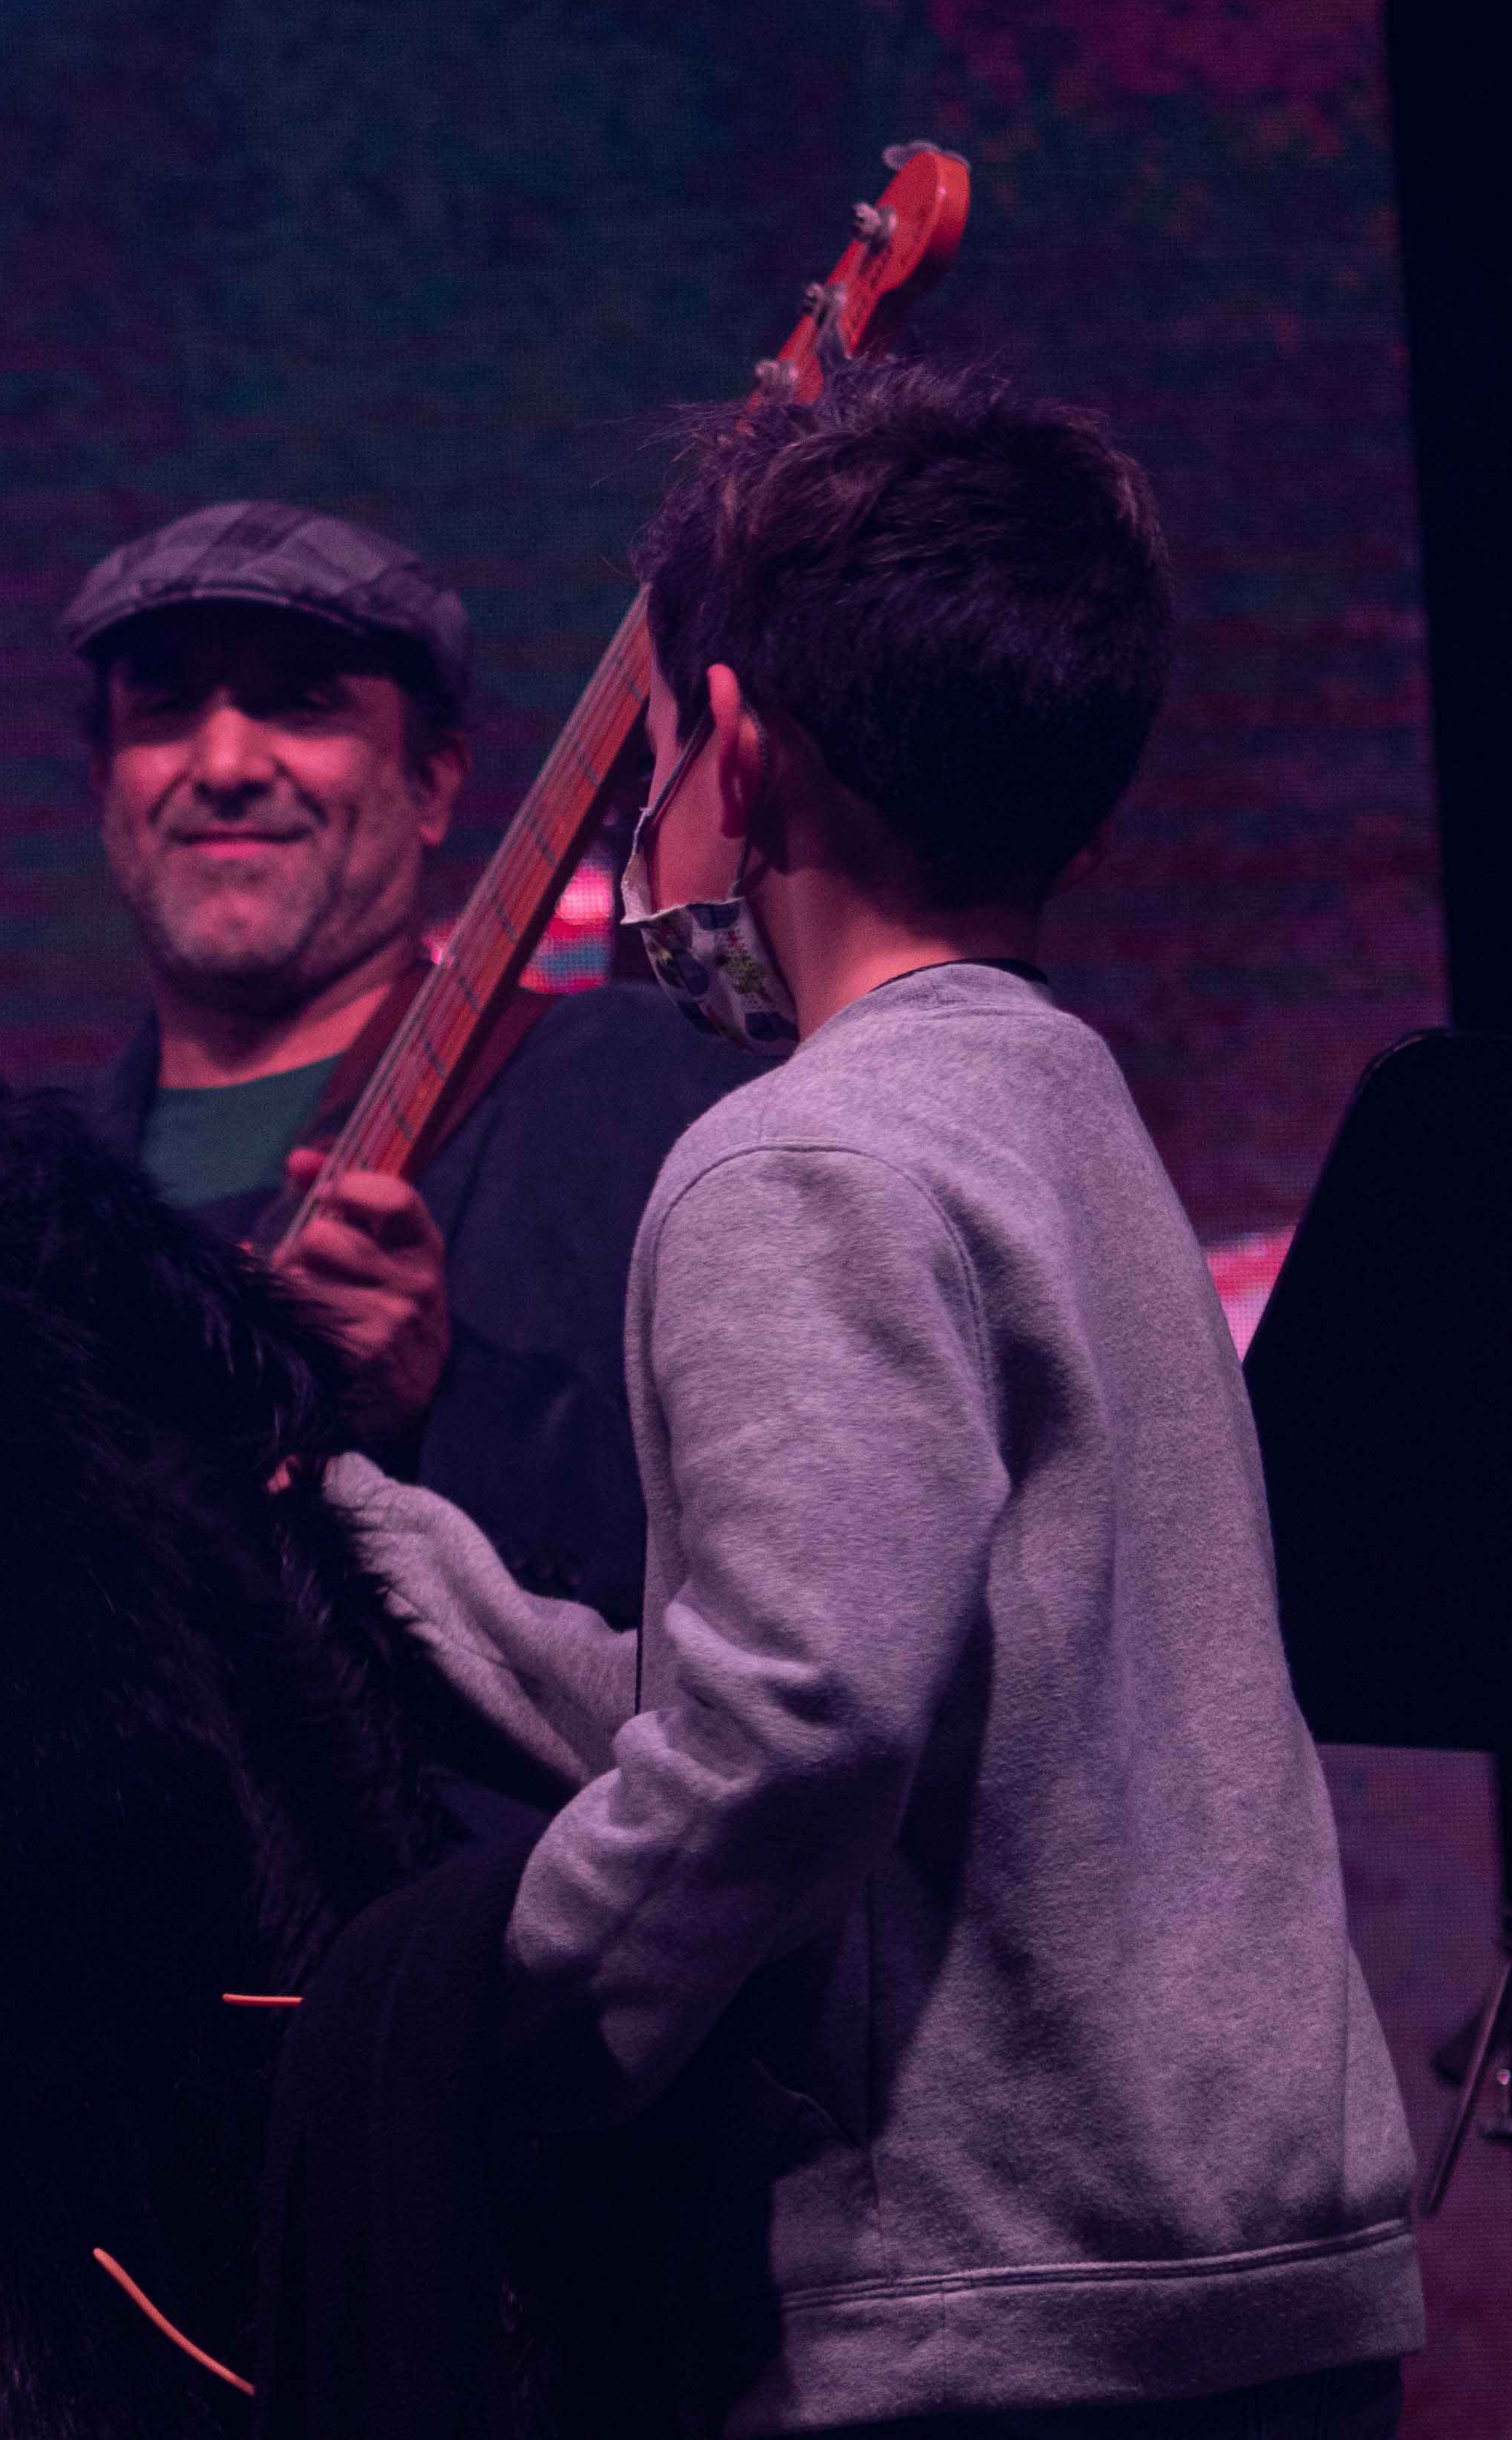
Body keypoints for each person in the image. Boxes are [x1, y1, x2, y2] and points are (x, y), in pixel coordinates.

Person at [338, 364, 1421, 2432]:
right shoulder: (1059, 1104)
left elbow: (798, 1730)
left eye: (658, 751)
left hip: (992, 2324)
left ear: (734, 750)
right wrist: (389, 1563)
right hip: (1249, 2295)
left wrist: (496, 2024)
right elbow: (846, 1676)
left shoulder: (797, 1157)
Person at [64, 503, 742, 1618]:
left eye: (301, 703)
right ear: (105, 784)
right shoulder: (17, 1188)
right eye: (166, 709)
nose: (224, 764)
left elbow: (756, 1590)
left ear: (432, 785)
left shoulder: (641, 1089)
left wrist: (442, 1411)